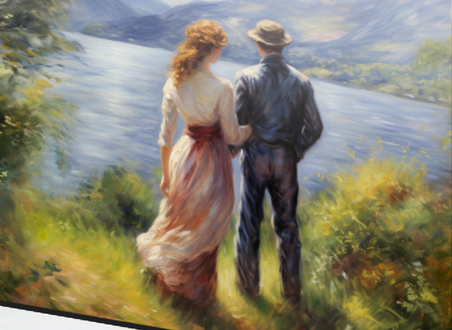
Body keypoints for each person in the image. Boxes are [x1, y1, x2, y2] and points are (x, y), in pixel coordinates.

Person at [135, 20, 251, 308]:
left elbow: (165, 135)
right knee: (207, 223)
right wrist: (254, 128)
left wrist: (165, 176)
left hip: (183, 157)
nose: (220, 53)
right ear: (213, 49)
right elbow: (234, 135)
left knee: (181, 218)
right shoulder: (222, 87)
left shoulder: (174, 82)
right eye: (220, 48)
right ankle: (198, 296)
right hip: (211, 161)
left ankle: (170, 287)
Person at [233, 21, 323, 303]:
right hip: (286, 160)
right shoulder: (302, 81)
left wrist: (238, 146)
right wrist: (295, 150)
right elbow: (315, 127)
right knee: (287, 227)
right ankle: (292, 291)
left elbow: (238, 122)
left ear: (258, 45)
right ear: (281, 47)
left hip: (255, 157)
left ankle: (248, 287)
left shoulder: (245, 77)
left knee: (249, 221)